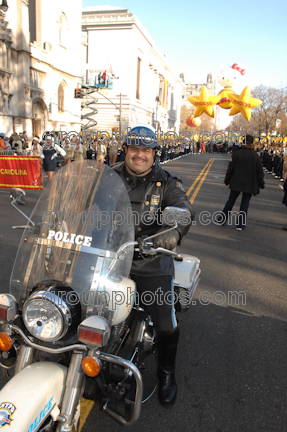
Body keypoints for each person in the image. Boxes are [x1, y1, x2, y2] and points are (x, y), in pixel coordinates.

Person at [112, 123, 195, 407]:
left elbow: (183, 208)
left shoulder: (167, 182)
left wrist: (172, 233)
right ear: (125, 150)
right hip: (110, 257)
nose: (139, 155)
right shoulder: (108, 177)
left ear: (154, 153)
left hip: (151, 260)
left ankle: (166, 372)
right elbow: (86, 203)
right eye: (134, 148)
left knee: (165, 318)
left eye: (145, 150)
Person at [217, 134, 265, 230]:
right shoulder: (255, 156)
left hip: (236, 182)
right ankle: (240, 224)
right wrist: (261, 184)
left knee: (231, 201)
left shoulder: (237, 153)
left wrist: (227, 181)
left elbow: (230, 168)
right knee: (245, 203)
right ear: (252, 144)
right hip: (250, 183)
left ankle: (221, 220)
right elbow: (260, 172)